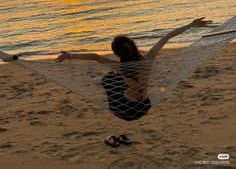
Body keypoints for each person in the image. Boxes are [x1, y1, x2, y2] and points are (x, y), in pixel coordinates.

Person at [56, 17, 212, 122]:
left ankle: (96, 80)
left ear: (118, 53)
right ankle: (97, 80)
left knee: (111, 78)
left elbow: (95, 57)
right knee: (116, 79)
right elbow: (167, 37)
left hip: (125, 110)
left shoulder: (120, 67)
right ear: (133, 47)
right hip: (144, 106)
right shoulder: (149, 59)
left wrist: (69, 55)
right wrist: (191, 25)